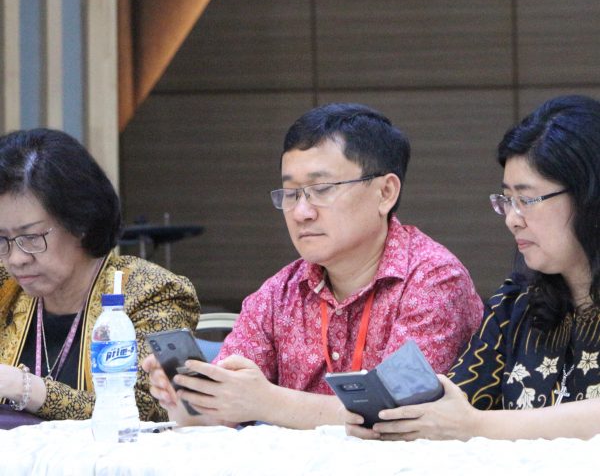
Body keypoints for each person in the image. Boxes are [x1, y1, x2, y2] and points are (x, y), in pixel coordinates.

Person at [143, 102, 483, 429]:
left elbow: (397, 414)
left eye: (321, 189)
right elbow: (227, 409)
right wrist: (188, 401)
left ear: (385, 193)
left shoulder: (433, 280)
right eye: (291, 194)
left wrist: (267, 402)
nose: (301, 212)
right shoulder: (280, 292)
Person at [345, 94, 600, 441]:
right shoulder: (515, 306)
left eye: (527, 200)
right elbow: (457, 406)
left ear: (589, 197)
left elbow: (468, 423)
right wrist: (395, 419)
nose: (512, 219)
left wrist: (478, 426)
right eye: (507, 200)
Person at [0, 128, 201, 422]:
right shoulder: (5, 286)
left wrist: (24, 387)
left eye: (31, 237)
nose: (16, 258)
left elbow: (154, 409)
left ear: (80, 222)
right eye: (1, 239)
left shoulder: (155, 292)